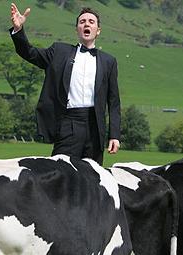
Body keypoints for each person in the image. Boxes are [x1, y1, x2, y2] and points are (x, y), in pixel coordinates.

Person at [9, 3, 121, 165]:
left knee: (93, 180)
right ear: (77, 29)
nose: (87, 24)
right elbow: (30, 53)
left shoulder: (109, 61)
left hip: (95, 128)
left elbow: (114, 102)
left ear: (98, 30)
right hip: (68, 123)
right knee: (60, 174)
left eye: (91, 21)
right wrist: (18, 30)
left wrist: (114, 135)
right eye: (82, 22)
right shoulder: (59, 52)